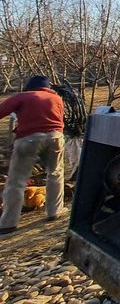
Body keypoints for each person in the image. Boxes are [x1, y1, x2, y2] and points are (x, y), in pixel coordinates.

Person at [0, 75, 66, 234]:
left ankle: (8, 223)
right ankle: (54, 212)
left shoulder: (23, 96)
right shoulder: (57, 98)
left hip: (29, 139)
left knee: (17, 181)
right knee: (55, 174)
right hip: (55, 136)